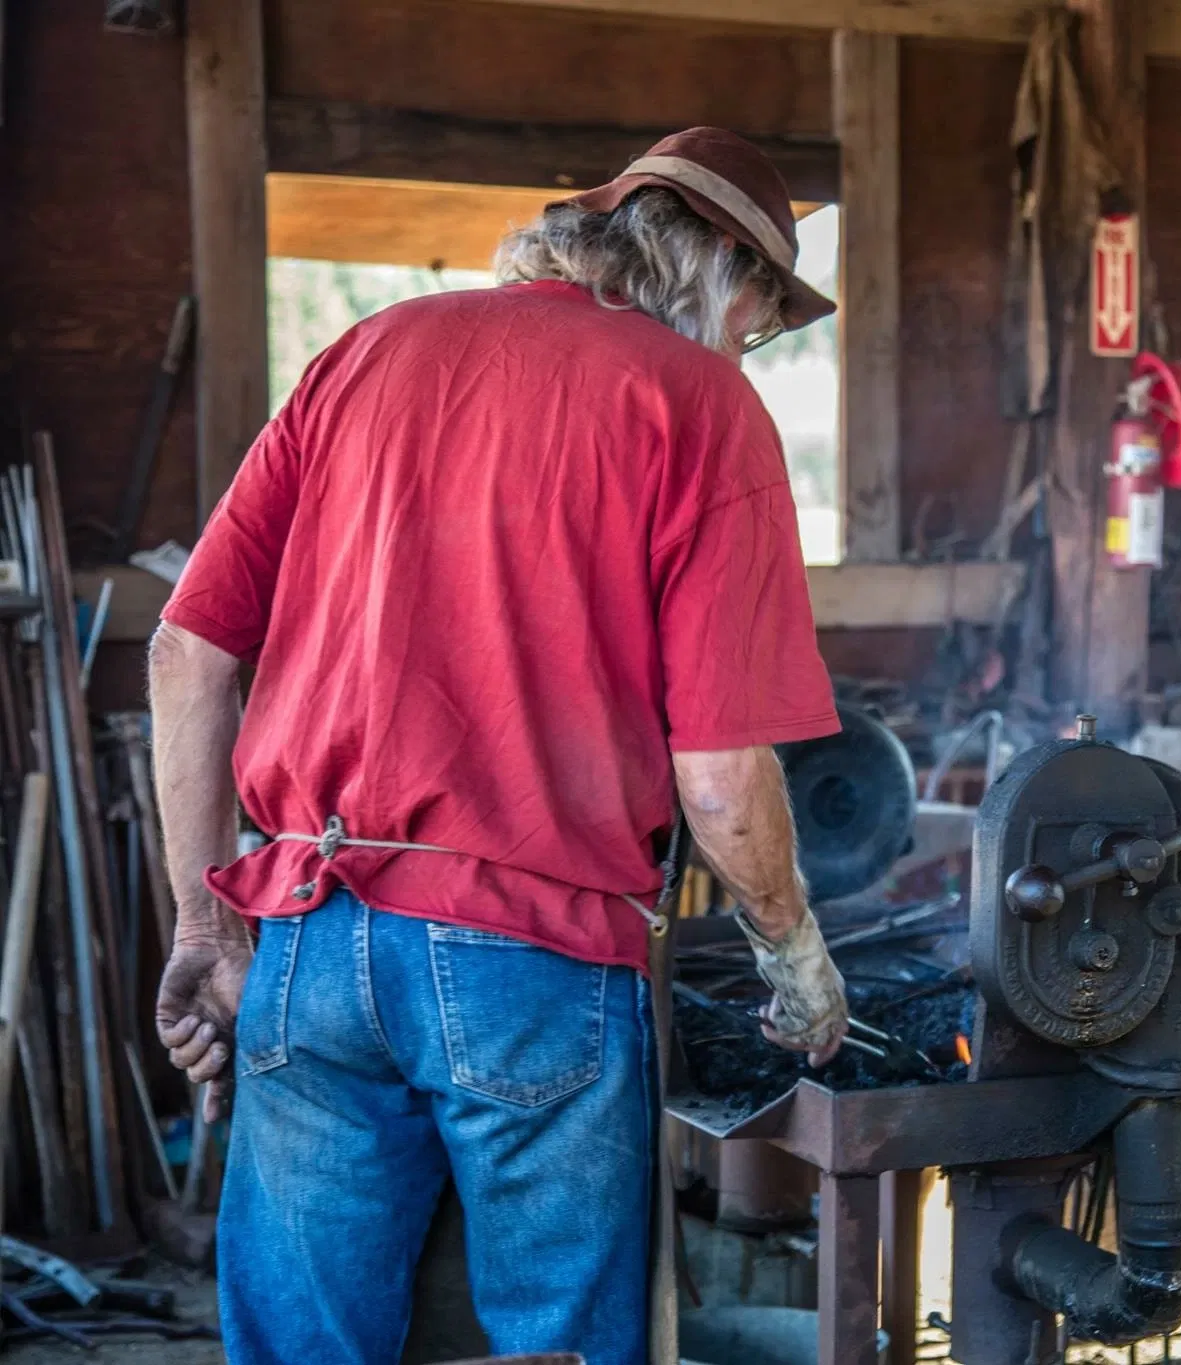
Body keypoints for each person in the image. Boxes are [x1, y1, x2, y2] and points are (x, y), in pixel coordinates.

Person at [149, 126, 850, 1365]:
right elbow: (723, 777)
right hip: (533, 963)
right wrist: (791, 948)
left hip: (307, 931)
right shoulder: (696, 404)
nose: (748, 343)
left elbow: (185, 656)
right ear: (715, 263)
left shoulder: (364, 352)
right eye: (757, 314)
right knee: (558, 1348)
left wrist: (205, 932)